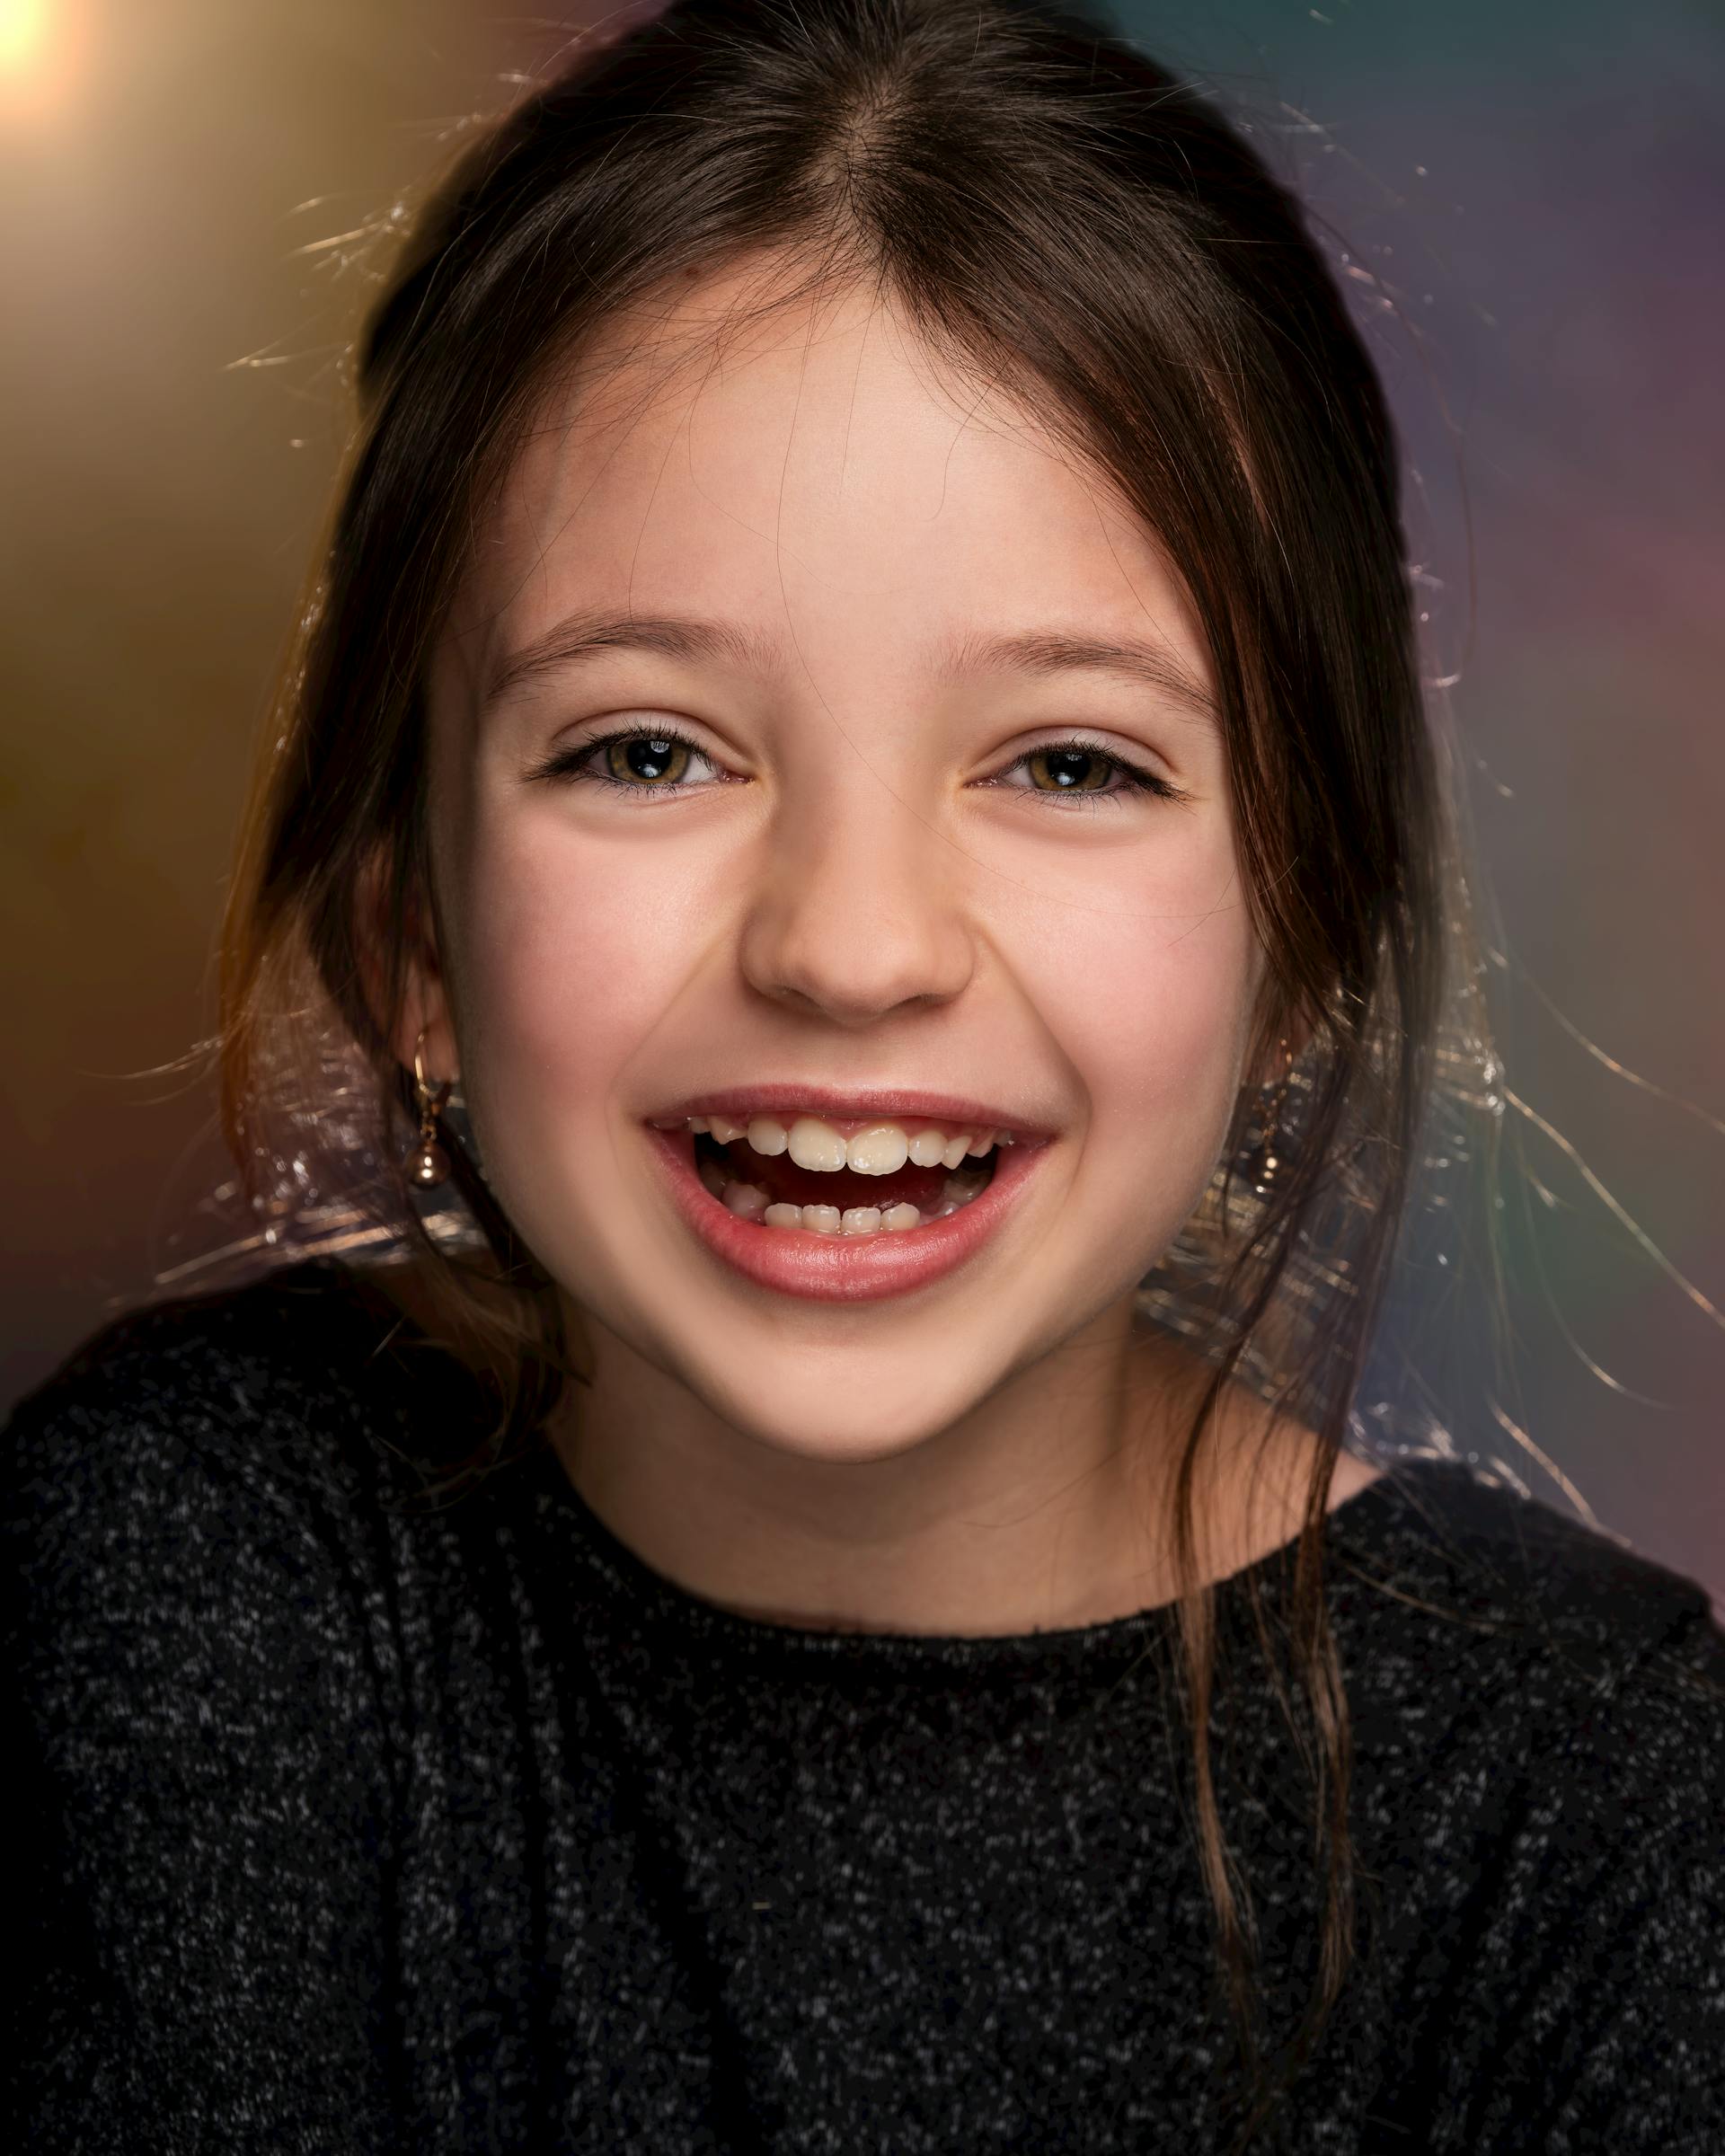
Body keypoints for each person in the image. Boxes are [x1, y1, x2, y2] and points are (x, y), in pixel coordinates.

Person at [5, 0, 1721, 2148]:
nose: (851, 946)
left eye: (1072, 762)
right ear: (408, 933)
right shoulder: (207, 1574)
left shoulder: (1604, 1812)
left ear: (1307, 942)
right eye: (647, 749)